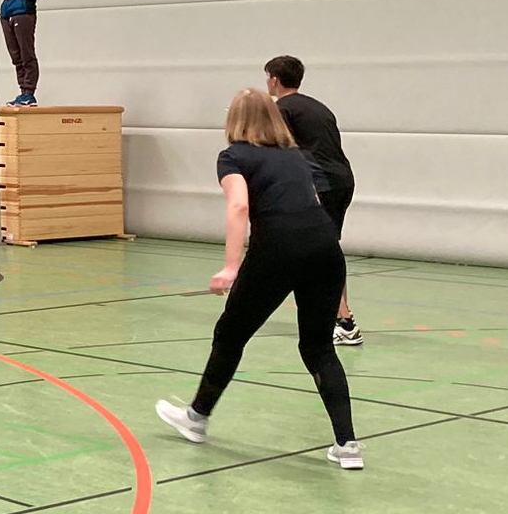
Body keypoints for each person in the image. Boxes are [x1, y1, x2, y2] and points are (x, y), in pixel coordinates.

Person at [155, 88, 362, 470]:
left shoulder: (234, 156)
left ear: (233, 119)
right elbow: (315, 203)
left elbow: (238, 205)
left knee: (230, 335)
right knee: (318, 347)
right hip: (325, 249)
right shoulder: (295, 155)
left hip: (277, 251)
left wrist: (231, 267)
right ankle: (347, 444)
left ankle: (197, 418)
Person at [266, 56, 362, 345]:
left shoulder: (282, 109)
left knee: (322, 252)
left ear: (274, 79)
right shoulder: (318, 106)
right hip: (342, 180)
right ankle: (338, 318)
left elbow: (283, 151)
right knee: (325, 248)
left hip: (323, 185)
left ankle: (344, 322)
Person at [0, 0, 46, 107]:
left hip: (23, 13)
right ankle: (22, 93)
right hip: (7, 14)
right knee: (16, 56)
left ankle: (29, 93)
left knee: (27, 54)